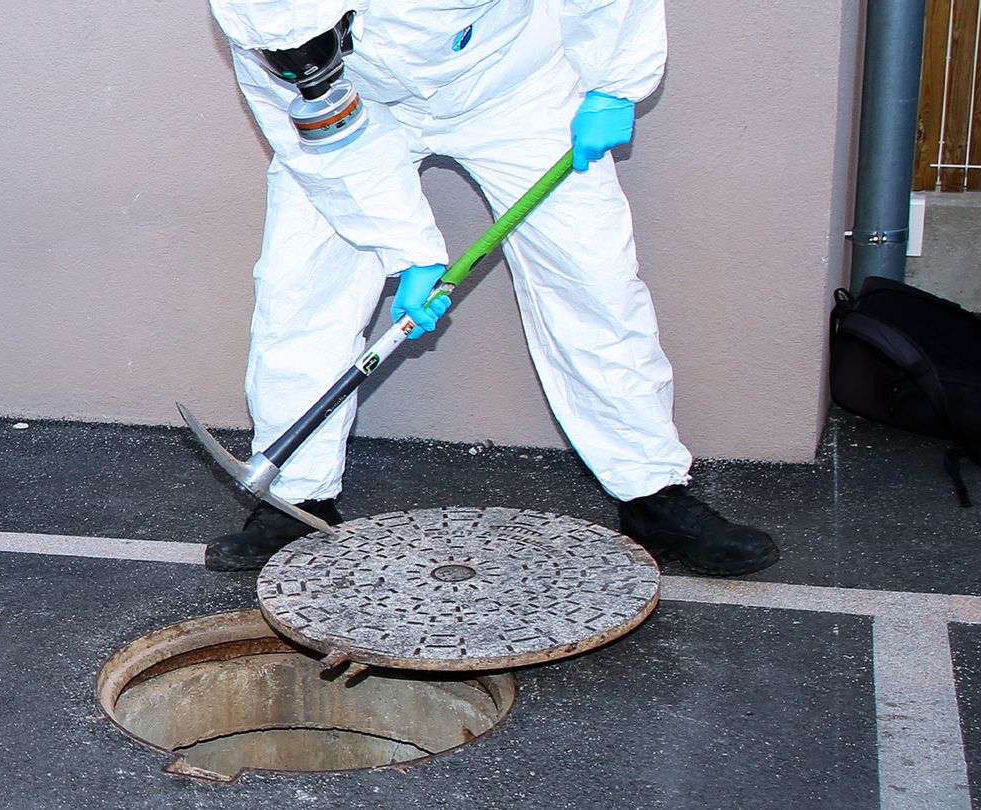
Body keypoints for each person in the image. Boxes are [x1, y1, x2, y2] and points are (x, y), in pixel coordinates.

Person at [202, 0, 780, 577]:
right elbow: (334, 153)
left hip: (512, 82)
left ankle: (653, 493)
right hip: (359, 106)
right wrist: (413, 253)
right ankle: (295, 497)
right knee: (303, 291)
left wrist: (614, 80)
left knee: (592, 282)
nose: (295, 60)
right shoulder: (260, 27)